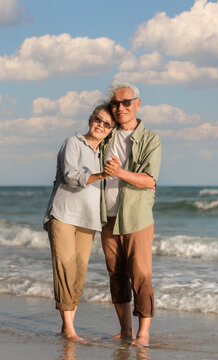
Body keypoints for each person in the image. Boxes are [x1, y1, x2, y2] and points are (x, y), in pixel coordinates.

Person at [44, 102, 116, 341]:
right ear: (90, 119)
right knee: (65, 268)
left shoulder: (105, 152)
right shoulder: (72, 142)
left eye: (107, 124)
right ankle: (70, 329)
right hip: (63, 215)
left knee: (79, 273)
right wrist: (101, 175)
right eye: (98, 120)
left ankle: (68, 327)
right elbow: (70, 176)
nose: (101, 126)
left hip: (89, 219)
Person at [101, 82, 162, 346]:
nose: (120, 108)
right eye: (115, 103)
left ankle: (143, 333)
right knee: (116, 274)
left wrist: (120, 173)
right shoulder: (107, 134)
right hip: (107, 217)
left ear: (137, 103)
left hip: (136, 218)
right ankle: (125, 330)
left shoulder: (150, 139)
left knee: (141, 275)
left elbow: (150, 180)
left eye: (126, 102)